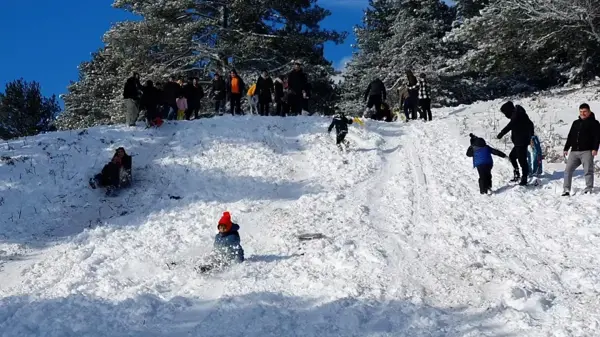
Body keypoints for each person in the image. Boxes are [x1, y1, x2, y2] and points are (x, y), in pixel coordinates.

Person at [562, 103, 600, 196]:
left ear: (589, 111)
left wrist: (595, 148)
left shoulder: (594, 123)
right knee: (568, 170)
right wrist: (566, 148)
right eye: (581, 111)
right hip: (574, 151)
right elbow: (570, 136)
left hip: (587, 151)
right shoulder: (575, 123)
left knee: (588, 170)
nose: (582, 113)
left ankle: (589, 188)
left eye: (585, 111)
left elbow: (597, 137)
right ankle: (566, 189)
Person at [496, 101, 535, 185]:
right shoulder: (520, 114)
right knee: (512, 157)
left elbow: (509, 126)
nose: (505, 115)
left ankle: (524, 178)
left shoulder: (517, 116)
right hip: (519, 142)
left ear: (508, 111)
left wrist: (501, 133)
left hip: (521, 142)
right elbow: (531, 124)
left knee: (522, 161)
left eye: (505, 113)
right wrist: (531, 135)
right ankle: (517, 174)